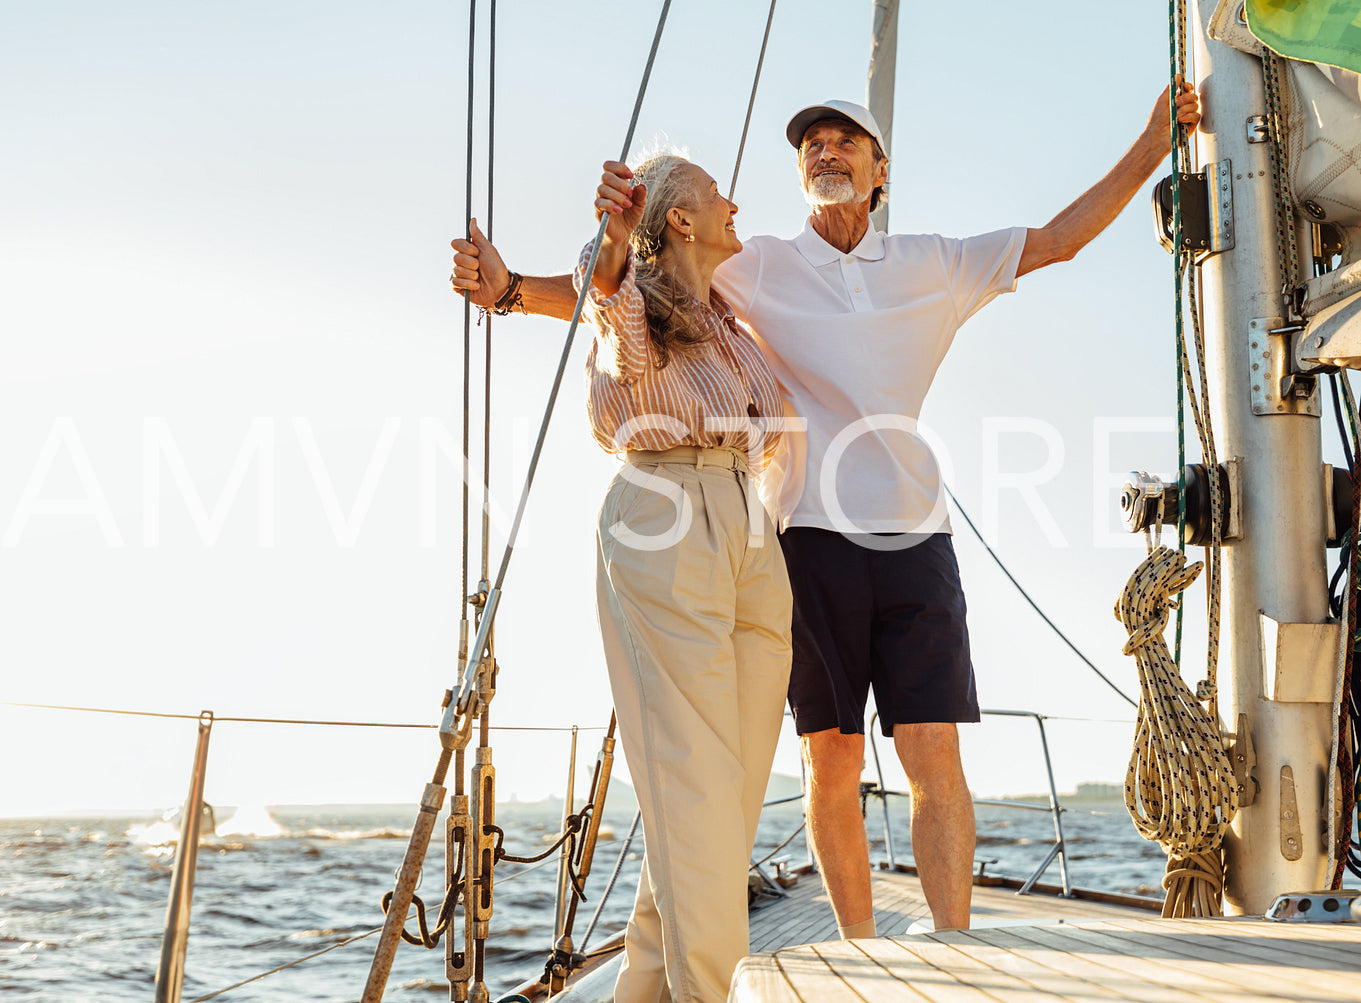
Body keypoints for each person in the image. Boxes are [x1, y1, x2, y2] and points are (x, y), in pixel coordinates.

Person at [452, 84, 1200, 943]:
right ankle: (862, 946)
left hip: (915, 533)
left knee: (933, 754)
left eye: (846, 141)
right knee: (830, 759)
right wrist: (509, 290)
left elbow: (1060, 241)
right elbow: (631, 283)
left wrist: (1153, 140)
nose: (826, 151)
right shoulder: (757, 263)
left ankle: (952, 946)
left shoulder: (935, 262)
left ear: (880, 171)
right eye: (811, 143)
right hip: (804, 535)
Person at [564, 150, 792, 1003]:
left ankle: (646, 989)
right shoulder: (632, 302)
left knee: (727, 790)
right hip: (668, 509)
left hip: (746, 522)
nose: (734, 202)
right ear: (680, 221)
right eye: (713, 193)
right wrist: (613, 243)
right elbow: (610, 311)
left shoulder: (726, 319)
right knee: (694, 778)